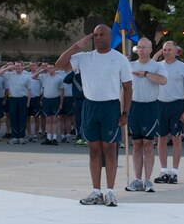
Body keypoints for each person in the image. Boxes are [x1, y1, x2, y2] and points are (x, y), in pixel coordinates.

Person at [56, 24, 132, 207]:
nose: (98, 38)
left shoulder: (120, 59)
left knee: (110, 149)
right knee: (94, 149)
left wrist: (125, 113)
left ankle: (110, 192)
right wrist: (76, 46)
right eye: (95, 35)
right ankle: (96, 191)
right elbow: (59, 65)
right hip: (90, 106)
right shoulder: (84, 58)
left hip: (111, 107)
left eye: (102, 34)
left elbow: (128, 88)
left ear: (109, 36)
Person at [125, 38, 168, 193]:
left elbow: (163, 80)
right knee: (136, 144)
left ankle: (148, 180)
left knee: (148, 144)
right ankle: (137, 179)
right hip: (134, 106)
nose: (141, 50)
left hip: (151, 106)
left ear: (151, 49)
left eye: (144, 47)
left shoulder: (156, 66)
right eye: (139, 47)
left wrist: (146, 74)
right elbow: (122, 86)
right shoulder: (129, 66)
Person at [152, 41, 184, 185]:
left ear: (177, 51)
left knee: (176, 139)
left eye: (169, 49)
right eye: (164, 50)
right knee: (161, 139)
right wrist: (157, 54)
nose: (166, 52)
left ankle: (174, 172)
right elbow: (148, 66)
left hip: (177, 104)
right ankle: (164, 171)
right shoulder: (157, 67)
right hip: (160, 104)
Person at [0, 61, 32, 144]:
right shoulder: (10, 75)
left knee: (22, 118)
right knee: (13, 118)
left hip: (23, 99)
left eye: (19, 65)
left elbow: (29, 90)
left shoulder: (27, 76)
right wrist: (7, 67)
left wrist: (28, 102)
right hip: (12, 98)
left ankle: (21, 137)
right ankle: (14, 137)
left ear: (22, 66)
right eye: (16, 65)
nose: (17, 67)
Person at [32, 63, 64, 146]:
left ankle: (54, 138)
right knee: (48, 120)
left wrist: (61, 103)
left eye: (51, 68)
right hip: (46, 100)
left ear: (55, 68)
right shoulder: (44, 76)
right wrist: (42, 70)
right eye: (48, 68)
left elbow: (62, 91)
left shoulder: (59, 78)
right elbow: (33, 76)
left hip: (55, 100)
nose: (50, 69)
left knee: (54, 120)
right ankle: (48, 138)